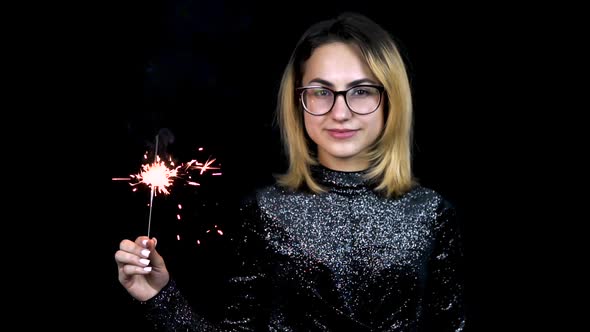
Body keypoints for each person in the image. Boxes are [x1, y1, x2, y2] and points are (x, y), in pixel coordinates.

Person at [115, 11, 466, 331]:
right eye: (320, 92)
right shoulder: (265, 211)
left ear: (390, 99)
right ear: (299, 101)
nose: (340, 112)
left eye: (361, 91)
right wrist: (159, 295)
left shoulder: (431, 213)